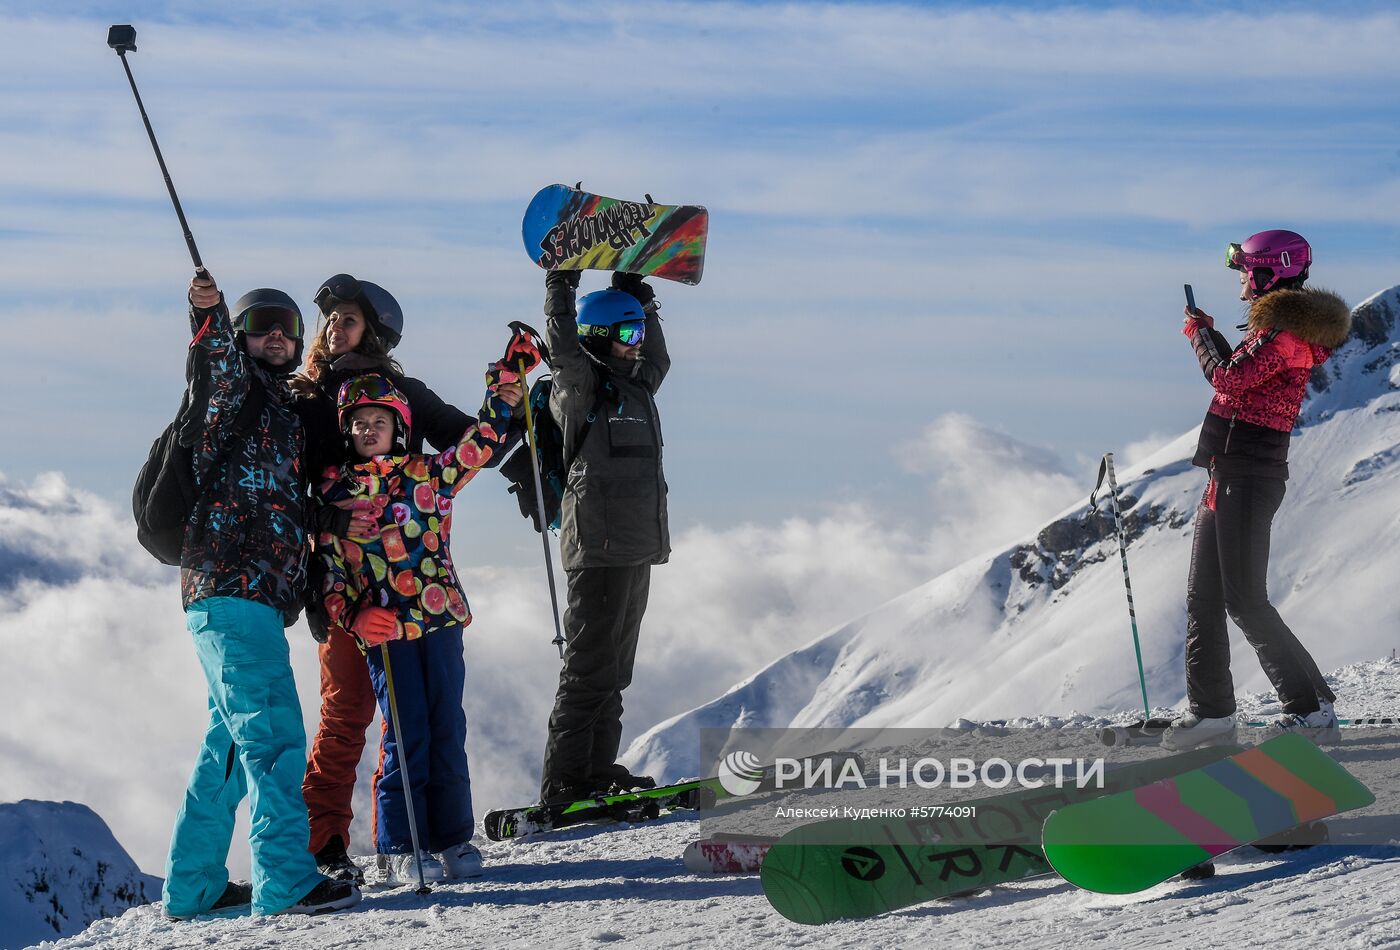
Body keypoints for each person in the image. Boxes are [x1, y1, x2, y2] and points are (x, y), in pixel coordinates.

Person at [163, 273, 359, 918]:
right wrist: (209, 314)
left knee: (226, 748)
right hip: (230, 586)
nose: (275, 335)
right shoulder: (229, 391)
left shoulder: (284, 414)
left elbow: (280, 502)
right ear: (242, 338)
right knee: (273, 737)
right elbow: (211, 359)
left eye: (286, 326)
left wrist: (326, 522)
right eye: (260, 325)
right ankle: (286, 881)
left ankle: (191, 888)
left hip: (241, 597)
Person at [292, 274, 485, 884]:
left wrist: (422, 478)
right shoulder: (304, 392)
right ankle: (326, 844)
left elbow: (467, 438)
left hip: (403, 581)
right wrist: (328, 523)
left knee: (422, 714)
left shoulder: (400, 388)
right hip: (336, 569)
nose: (332, 328)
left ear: (372, 330)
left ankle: (427, 838)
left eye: (346, 318)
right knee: (348, 706)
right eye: (328, 319)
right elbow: (282, 480)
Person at [313, 360, 525, 884]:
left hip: (440, 619)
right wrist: (355, 616)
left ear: (400, 427)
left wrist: (503, 394)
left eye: (378, 421)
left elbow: (479, 447)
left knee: (448, 726)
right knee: (405, 736)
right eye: (358, 423)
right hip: (387, 633)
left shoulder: (426, 474)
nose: (368, 430)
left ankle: (452, 837)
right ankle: (400, 845)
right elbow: (331, 576)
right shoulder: (336, 495)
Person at [1161, 230, 1351, 752]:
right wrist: (1212, 336)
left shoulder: (1285, 334)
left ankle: (1311, 711)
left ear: (1272, 272)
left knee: (1245, 599)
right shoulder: (1274, 331)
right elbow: (1239, 376)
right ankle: (1214, 717)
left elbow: (1228, 379)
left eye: (1246, 270)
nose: (1242, 281)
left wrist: (1197, 335)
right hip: (1228, 473)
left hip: (1248, 476)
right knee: (1204, 598)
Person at [537, 270, 671, 803]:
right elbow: (563, 349)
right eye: (627, 332)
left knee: (616, 670)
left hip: (637, 546)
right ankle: (564, 781)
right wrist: (560, 291)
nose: (637, 344)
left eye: (638, 333)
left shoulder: (639, 383)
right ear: (596, 335)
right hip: (597, 548)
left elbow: (659, 358)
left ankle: (596, 767)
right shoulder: (581, 386)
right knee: (587, 669)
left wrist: (643, 300)